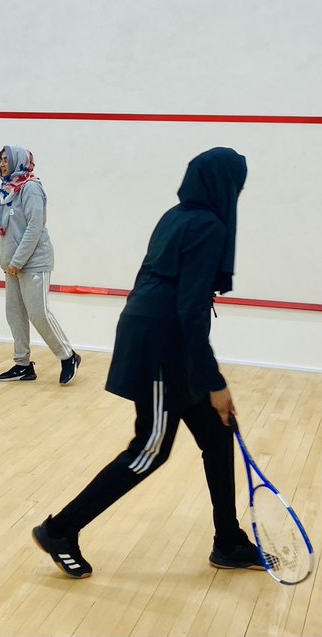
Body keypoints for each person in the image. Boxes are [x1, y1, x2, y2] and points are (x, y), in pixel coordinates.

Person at [31, 147, 264, 578]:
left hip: (165, 336)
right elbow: (190, 309)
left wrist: (203, 374)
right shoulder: (208, 226)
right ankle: (60, 529)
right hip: (161, 345)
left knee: (217, 434)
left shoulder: (175, 215)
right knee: (150, 451)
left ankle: (228, 542)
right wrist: (213, 381)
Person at [0, 145, 81, 385]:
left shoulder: (31, 188)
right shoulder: (6, 190)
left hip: (33, 263)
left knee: (38, 313)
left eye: (6, 159)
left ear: (19, 161)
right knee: (15, 315)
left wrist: (17, 261)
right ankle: (23, 365)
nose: (2, 164)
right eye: (0, 160)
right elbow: (5, 229)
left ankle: (68, 356)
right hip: (12, 264)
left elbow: (34, 228)